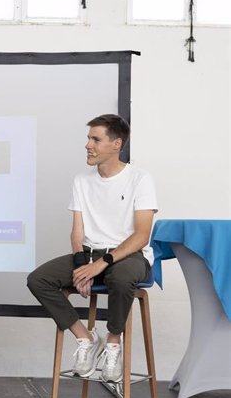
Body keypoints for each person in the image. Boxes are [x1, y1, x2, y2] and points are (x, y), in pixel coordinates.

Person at [27, 114, 157, 383]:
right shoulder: (81, 180)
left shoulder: (140, 179)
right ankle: (86, 338)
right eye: (88, 138)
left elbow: (142, 235)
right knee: (38, 279)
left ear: (116, 144)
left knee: (121, 279)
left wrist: (101, 264)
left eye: (95, 139)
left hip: (129, 255)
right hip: (90, 254)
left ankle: (112, 343)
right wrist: (80, 267)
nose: (88, 145)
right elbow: (77, 231)